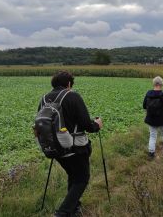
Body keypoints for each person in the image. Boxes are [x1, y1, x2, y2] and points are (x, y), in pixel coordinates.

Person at [38, 71, 103, 217]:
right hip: (76, 147)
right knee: (82, 178)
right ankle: (63, 213)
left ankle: (74, 208)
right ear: (69, 84)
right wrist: (97, 124)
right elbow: (86, 124)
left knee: (73, 175)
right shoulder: (72, 96)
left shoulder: (43, 99)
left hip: (55, 148)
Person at [143, 76, 163, 159]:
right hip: (162, 120)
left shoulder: (148, 93)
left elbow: (144, 105)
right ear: (161, 84)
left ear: (154, 84)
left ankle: (151, 153)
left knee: (152, 136)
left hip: (151, 119)